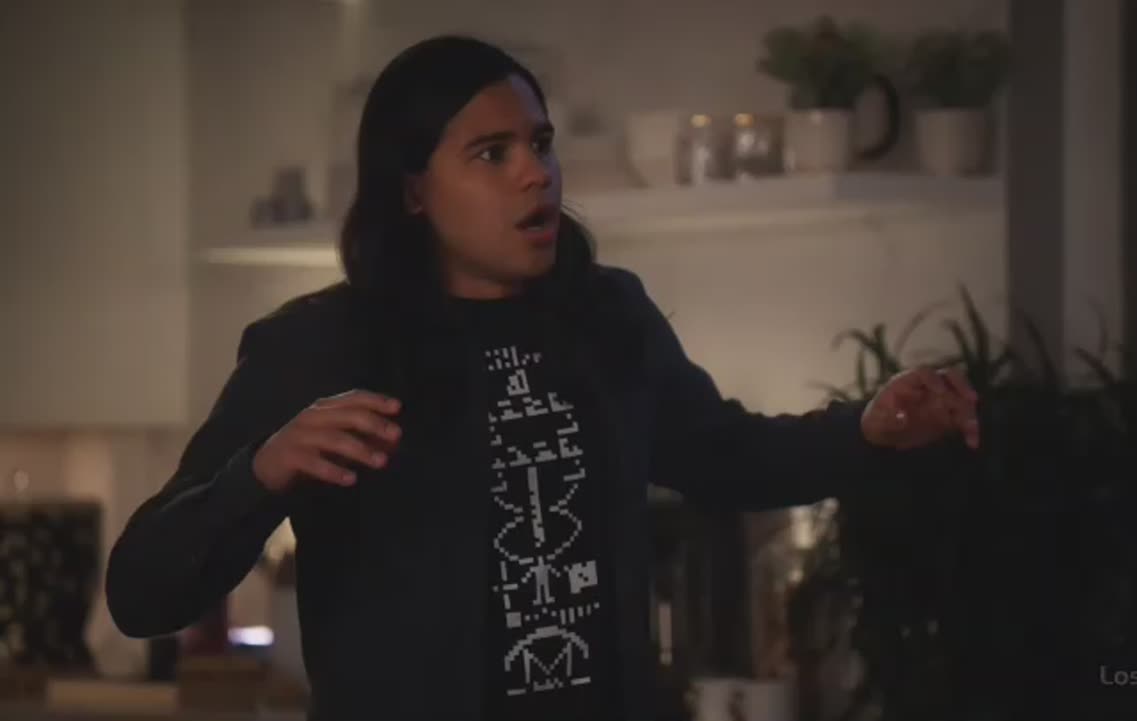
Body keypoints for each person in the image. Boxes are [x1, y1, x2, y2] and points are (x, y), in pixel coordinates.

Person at [105, 35, 980, 721]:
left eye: (540, 142)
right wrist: (260, 471)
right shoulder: (319, 346)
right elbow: (141, 591)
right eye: (491, 153)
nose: (536, 172)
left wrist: (867, 430)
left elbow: (725, 455)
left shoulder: (606, 318)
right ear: (413, 192)